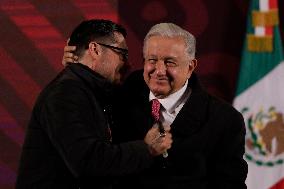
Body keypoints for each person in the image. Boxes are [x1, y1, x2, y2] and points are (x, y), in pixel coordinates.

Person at [63, 22, 248, 188]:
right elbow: (87, 102)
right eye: (152, 60)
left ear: (190, 67)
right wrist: (79, 67)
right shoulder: (125, 91)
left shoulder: (225, 120)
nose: (159, 71)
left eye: (170, 62)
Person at [15, 19, 172, 189]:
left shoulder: (93, 91)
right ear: (95, 50)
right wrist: (146, 149)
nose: (128, 63)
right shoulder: (65, 93)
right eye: (122, 54)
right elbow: (87, 160)